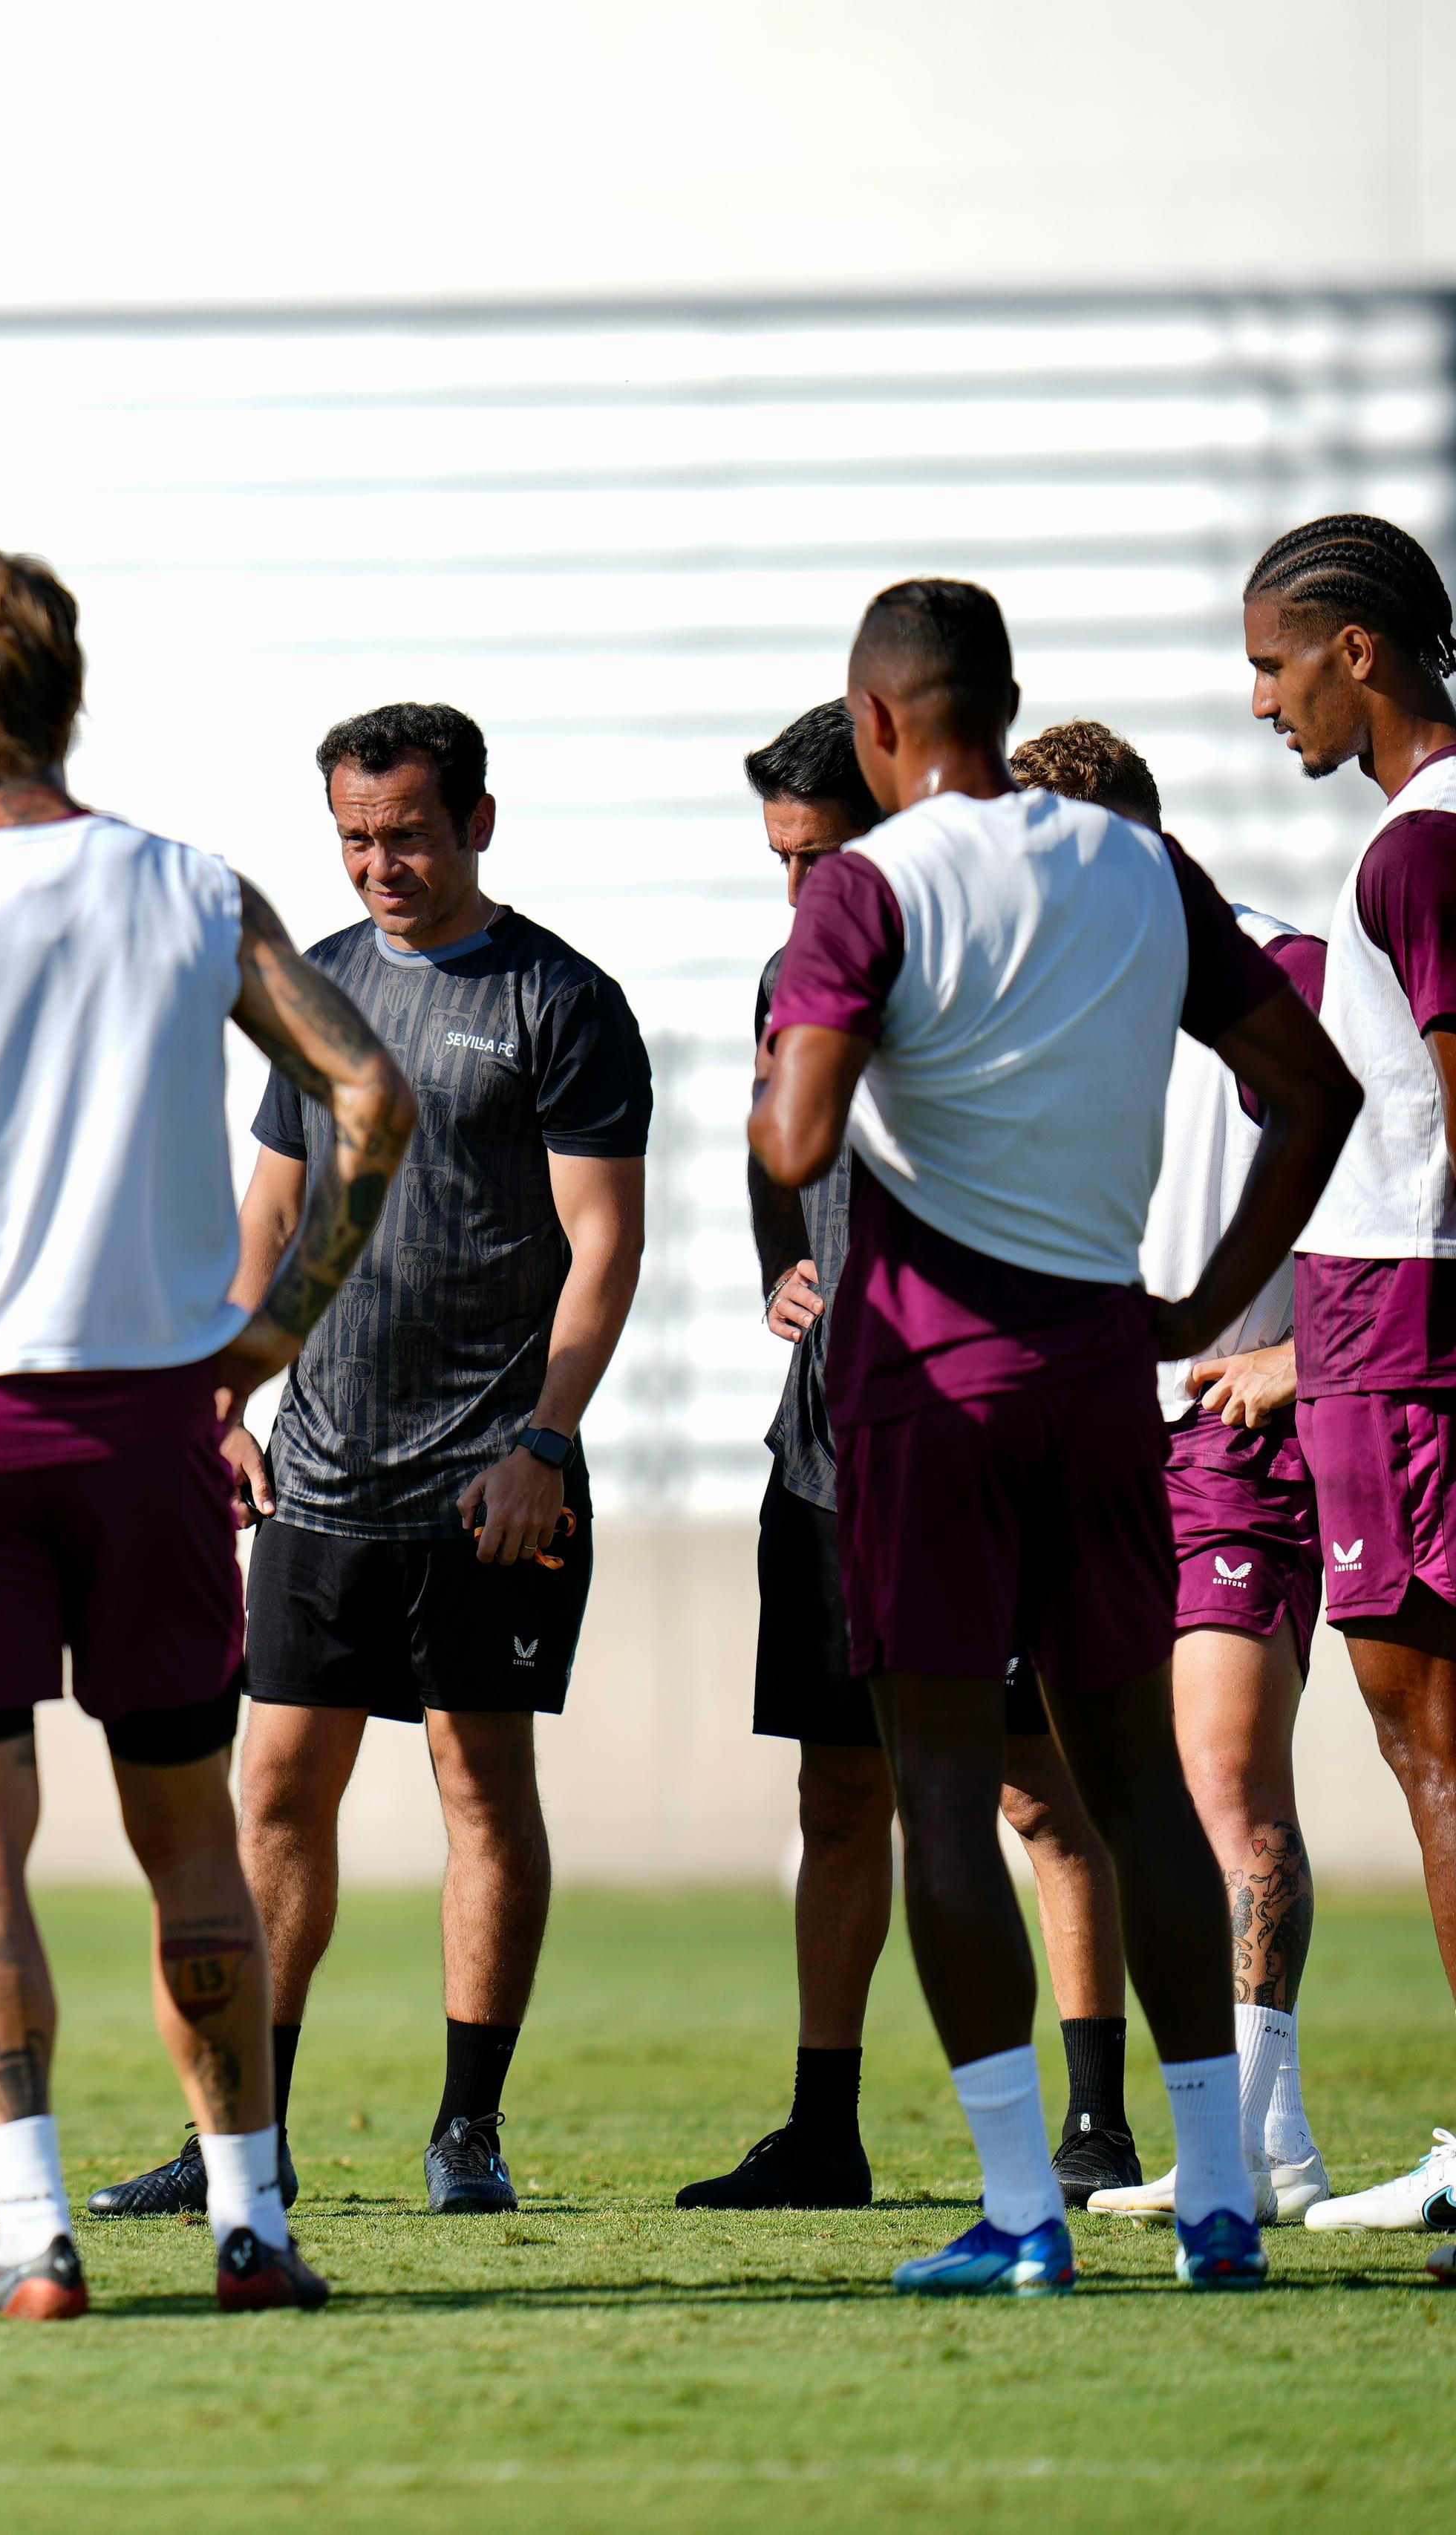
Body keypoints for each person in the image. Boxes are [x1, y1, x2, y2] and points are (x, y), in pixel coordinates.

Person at [0, 551, 414, 2317]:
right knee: (192, 1833)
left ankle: (34, 2237)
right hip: (149, 1421)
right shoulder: (192, 891)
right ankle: (252, 2226)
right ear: (72, 693)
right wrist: (275, 1327)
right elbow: (372, 1091)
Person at [753, 577, 1357, 2296]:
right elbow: (1311, 1096)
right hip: (1106, 1372)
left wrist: (788, 1068)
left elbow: (795, 1144)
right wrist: (1204, 1301)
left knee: (943, 1794)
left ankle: (1023, 2210)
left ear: (876, 727)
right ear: (1001, 707)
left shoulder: (865, 887)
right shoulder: (1139, 867)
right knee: (1138, 1790)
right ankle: (1218, 2198)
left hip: (926, 1387)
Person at [97, 702, 647, 2227]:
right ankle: (241, 2140)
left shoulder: (559, 1000)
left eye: (404, 831)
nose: (376, 862)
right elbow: (267, 1217)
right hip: (322, 1476)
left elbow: (605, 1245)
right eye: (351, 835)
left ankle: (468, 2128)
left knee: (479, 1781)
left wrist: (545, 1439)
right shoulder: (316, 989)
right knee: (271, 1787)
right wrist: (224, 1405)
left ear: (477, 820)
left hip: (490, 1481)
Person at [678, 707, 1140, 2214]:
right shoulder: (791, 969)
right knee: (836, 1791)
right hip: (825, 1449)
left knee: (1035, 1790)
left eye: (821, 856)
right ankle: (825, 2129)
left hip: (968, 1429)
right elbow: (770, 1149)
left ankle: (1094, 2123)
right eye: (783, 866)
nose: (804, 892)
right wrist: (775, 1269)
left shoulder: (968, 953)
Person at [993, 722, 1335, 2228]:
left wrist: (1302, 1359)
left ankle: (1238, 2148)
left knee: (1217, 1782)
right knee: (1080, 1793)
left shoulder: (1293, 974)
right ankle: (1271, 2150)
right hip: (1081, 1433)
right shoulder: (1049, 984)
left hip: (1231, 1436)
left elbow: (1404, 1183)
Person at [1235, 517, 1456, 2259]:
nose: (1262, 703)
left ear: (1357, 652)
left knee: (1431, 1746)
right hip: (1384, 1321)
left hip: (1407, 1325)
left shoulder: (1414, 850)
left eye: (1272, 662)